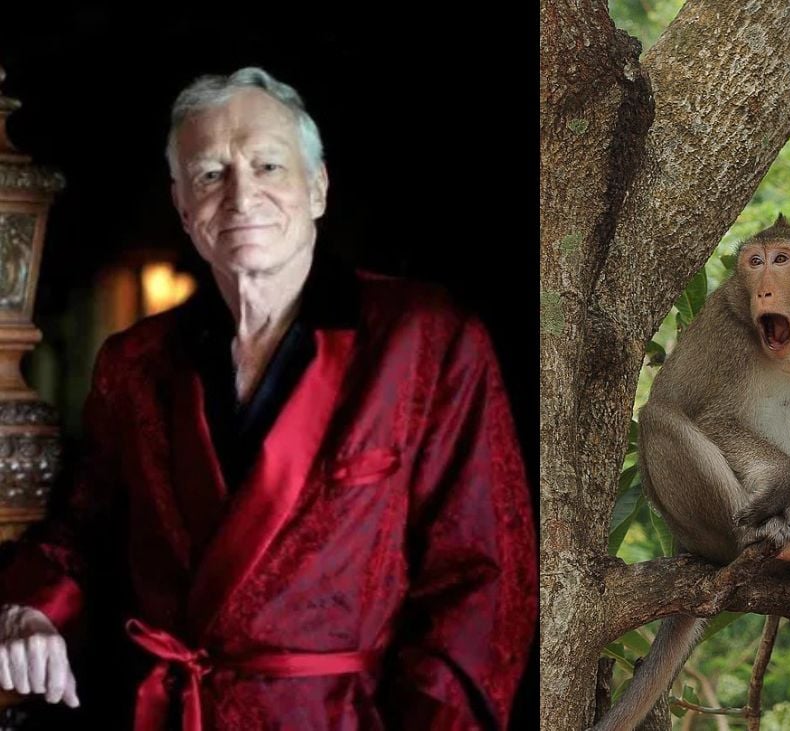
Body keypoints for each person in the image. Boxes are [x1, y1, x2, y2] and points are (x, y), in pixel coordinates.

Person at [0, 67, 537, 730]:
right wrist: (33, 609)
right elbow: (82, 535)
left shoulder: (426, 340)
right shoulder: (136, 363)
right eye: (210, 174)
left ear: (318, 188)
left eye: (268, 165)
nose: (241, 195)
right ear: (182, 206)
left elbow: (483, 582)